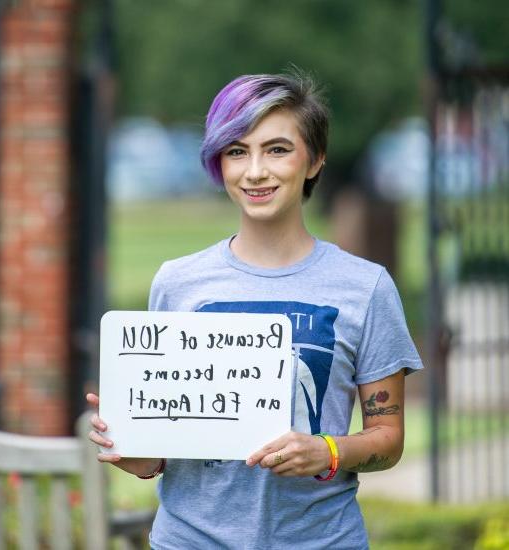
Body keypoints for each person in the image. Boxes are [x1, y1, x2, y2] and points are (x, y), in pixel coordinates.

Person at [87, 72, 423, 549]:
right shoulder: (176, 283)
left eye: (278, 149)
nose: (255, 171)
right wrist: (136, 449)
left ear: (315, 159)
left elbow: (387, 439)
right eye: (237, 151)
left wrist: (327, 451)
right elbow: (167, 450)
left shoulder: (366, 287)